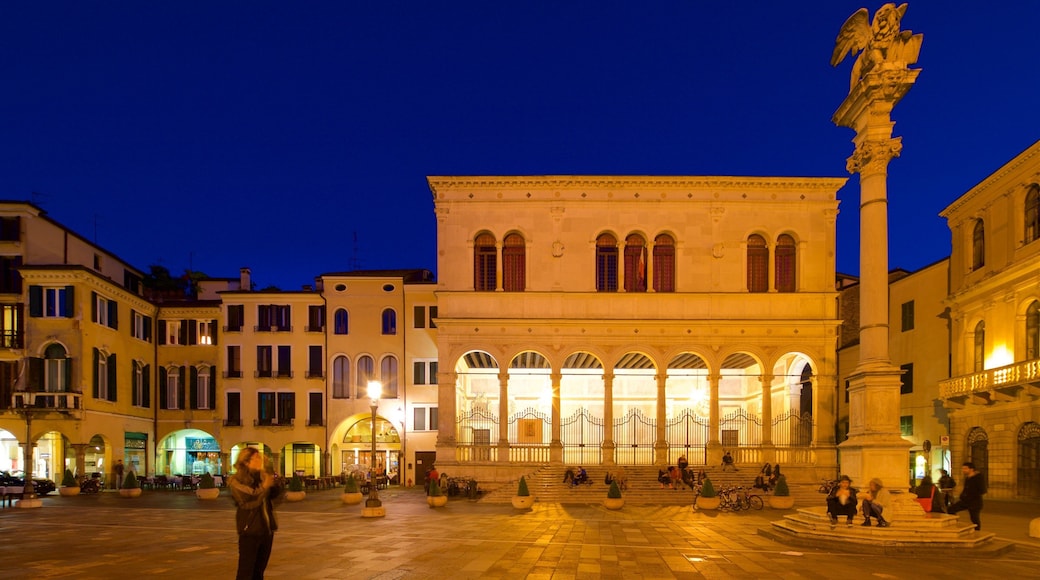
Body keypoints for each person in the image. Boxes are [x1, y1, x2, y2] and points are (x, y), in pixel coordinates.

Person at [229, 447, 283, 580]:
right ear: (246, 462)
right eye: (256, 458)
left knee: (259, 571)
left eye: (260, 457)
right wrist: (265, 486)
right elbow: (248, 502)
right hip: (250, 531)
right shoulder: (237, 481)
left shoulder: (262, 477)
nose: (260, 460)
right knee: (246, 572)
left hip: (266, 529)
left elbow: (274, 499)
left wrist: (275, 484)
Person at [948, 462, 986, 531]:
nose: (963, 470)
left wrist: (972, 495)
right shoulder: (967, 478)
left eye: (965, 469)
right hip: (965, 501)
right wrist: (962, 495)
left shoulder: (978, 478)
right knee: (951, 509)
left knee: (974, 518)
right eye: (963, 468)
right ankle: (954, 524)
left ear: (971, 469)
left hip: (975, 502)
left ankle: (977, 531)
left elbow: (982, 490)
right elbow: (966, 489)